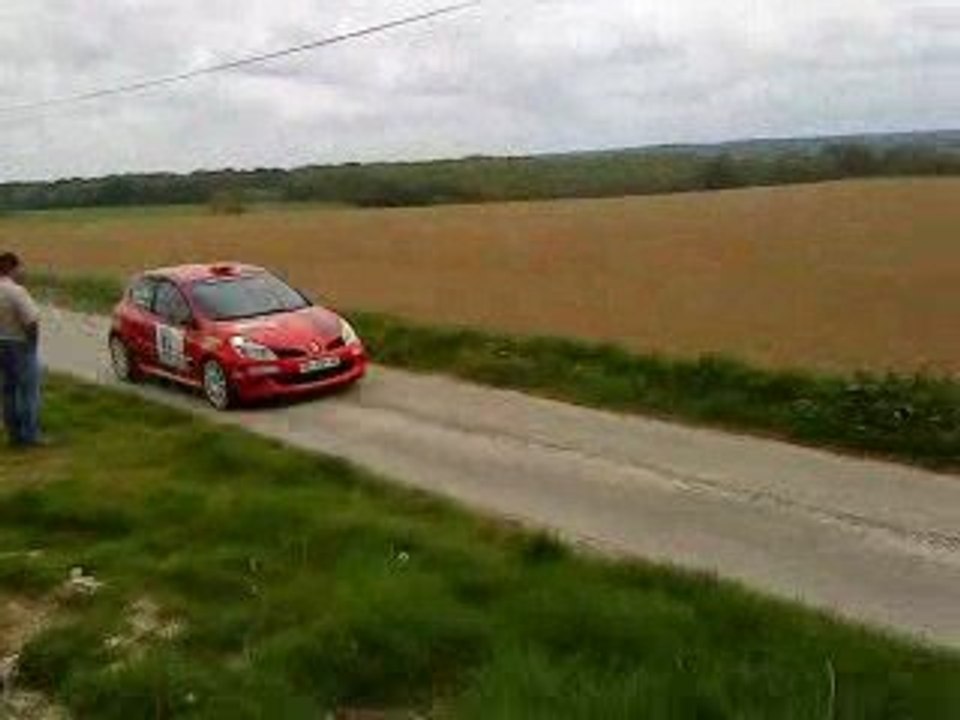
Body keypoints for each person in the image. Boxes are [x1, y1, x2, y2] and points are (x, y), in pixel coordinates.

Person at [0, 252, 44, 448]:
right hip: (19, 344)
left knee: (8, 391)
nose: (22, 271)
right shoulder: (16, 291)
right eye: (20, 268)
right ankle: (30, 435)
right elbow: (31, 321)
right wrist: (32, 345)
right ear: (11, 267)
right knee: (28, 391)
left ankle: (14, 435)